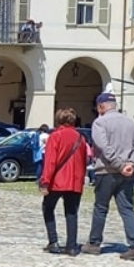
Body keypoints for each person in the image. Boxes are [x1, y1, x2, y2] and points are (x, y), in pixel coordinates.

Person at [84, 92, 134, 261]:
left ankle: (94, 243)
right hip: (127, 172)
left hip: (107, 171)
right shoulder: (130, 123)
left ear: (101, 106)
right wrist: (131, 164)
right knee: (127, 209)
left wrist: (120, 165)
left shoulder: (99, 123)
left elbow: (104, 148)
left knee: (101, 208)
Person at [39, 109, 89, 256]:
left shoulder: (55, 136)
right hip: (75, 181)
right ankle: (71, 246)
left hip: (58, 180)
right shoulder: (81, 138)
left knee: (48, 208)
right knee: (72, 213)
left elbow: (50, 162)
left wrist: (45, 181)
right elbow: (84, 160)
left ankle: (53, 241)